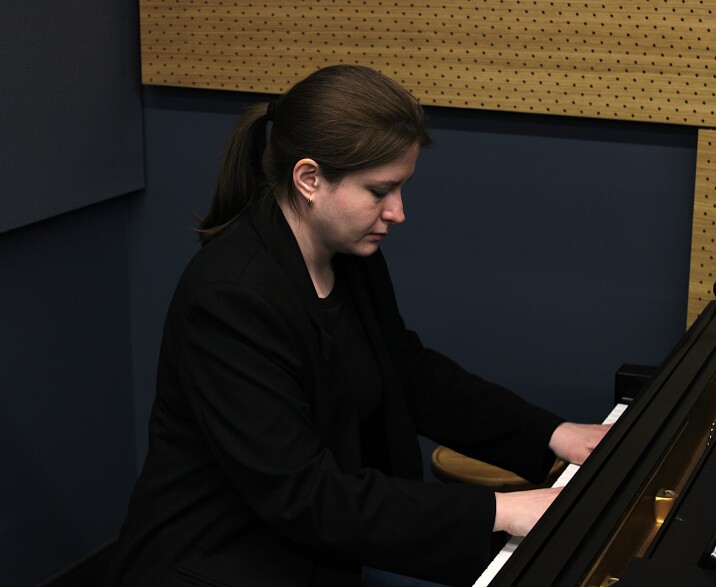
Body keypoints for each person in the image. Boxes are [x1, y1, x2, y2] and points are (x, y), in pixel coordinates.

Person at [106, 64, 609, 587]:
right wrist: (501, 511)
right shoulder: (229, 298)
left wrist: (553, 433)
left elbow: (407, 374)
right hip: (217, 564)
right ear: (310, 179)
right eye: (379, 191)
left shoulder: (348, 253)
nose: (398, 212)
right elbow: (304, 495)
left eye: (402, 187)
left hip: (314, 547)